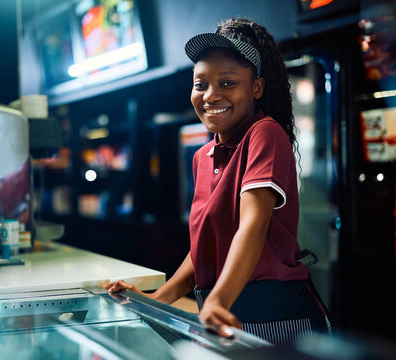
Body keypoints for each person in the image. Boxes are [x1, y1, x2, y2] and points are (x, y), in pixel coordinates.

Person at [105, 17, 330, 345]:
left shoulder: (264, 133)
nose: (210, 95)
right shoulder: (202, 156)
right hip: (223, 317)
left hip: (276, 318)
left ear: (256, 88)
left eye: (227, 83)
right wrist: (155, 299)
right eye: (201, 84)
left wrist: (218, 300)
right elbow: (203, 250)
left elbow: (251, 226)